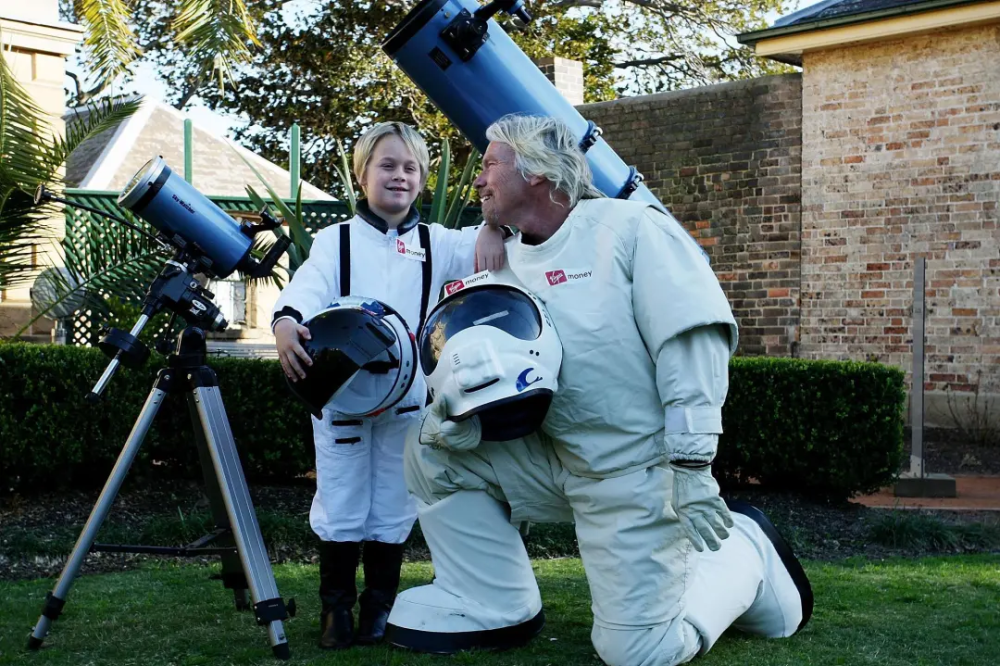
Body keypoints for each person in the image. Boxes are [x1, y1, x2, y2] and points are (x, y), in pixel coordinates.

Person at [386, 114, 814, 666]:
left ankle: (744, 555)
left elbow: (692, 342)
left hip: (634, 473)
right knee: (429, 450)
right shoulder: (507, 257)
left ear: (537, 173)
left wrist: (690, 464)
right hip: (551, 458)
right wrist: (462, 424)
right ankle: (491, 601)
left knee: (638, 654)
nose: (478, 180)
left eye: (490, 164)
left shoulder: (632, 230)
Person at [271, 121, 507, 650]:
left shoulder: (440, 243)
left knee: (395, 503)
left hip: (406, 401)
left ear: (423, 179)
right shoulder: (337, 242)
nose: (399, 176)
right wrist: (286, 322)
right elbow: (304, 289)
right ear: (361, 176)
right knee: (340, 500)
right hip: (341, 398)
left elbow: (499, 240)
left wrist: (491, 226)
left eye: (410, 168)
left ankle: (380, 606)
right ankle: (336, 610)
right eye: (387, 165)